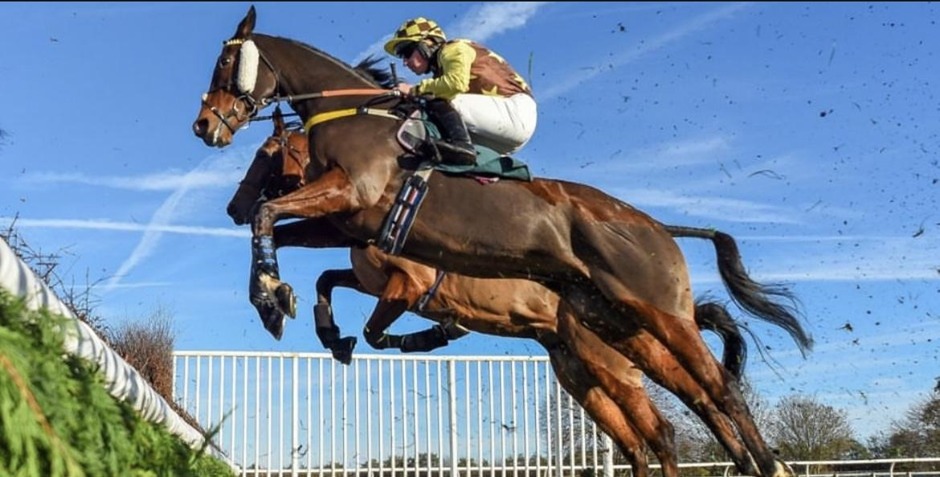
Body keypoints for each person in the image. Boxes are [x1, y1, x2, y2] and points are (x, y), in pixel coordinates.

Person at [384, 17, 538, 166]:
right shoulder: (441, 70)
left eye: (406, 52)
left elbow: (456, 83)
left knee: (436, 98)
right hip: (502, 136)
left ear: (427, 43)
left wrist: (415, 90)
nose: (405, 62)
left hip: (515, 113)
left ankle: (462, 146)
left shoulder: (453, 48)